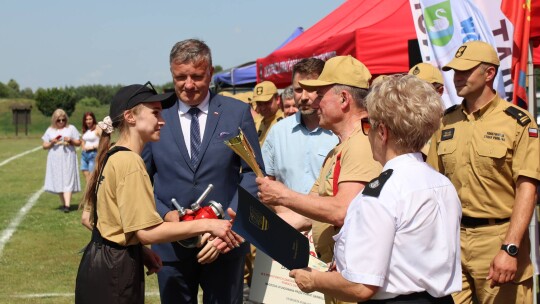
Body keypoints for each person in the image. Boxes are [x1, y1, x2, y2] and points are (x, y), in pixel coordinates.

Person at [289, 74, 462, 303]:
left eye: (367, 124)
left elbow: (361, 285)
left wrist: (313, 280)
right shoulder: (441, 182)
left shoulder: (381, 192)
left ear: (382, 132)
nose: (366, 132)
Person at [75, 82, 240, 304]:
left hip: (100, 261)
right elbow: (147, 232)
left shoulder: (113, 154)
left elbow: (94, 220)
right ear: (130, 117)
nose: (162, 120)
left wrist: (141, 252)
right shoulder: (131, 162)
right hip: (116, 268)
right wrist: (209, 224)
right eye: (155, 113)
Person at [142, 39, 262, 304]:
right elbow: (139, 179)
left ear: (210, 72)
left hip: (225, 244)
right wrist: (164, 214)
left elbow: (253, 174)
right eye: (180, 77)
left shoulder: (237, 113)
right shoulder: (156, 115)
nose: (188, 85)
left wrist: (230, 224)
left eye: (196, 76)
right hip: (171, 246)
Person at [257, 55, 382, 304]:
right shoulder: (340, 147)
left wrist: (282, 195)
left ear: (344, 99)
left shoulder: (362, 145)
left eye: (320, 94)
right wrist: (253, 229)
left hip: (355, 280)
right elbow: (307, 213)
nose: (313, 101)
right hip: (339, 276)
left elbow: (341, 211)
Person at [427, 40, 540, 304]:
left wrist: (510, 248)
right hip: (452, 241)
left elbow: (528, 188)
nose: (458, 78)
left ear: (489, 74)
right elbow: (433, 183)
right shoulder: (445, 121)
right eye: (455, 71)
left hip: (497, 238)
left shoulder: (518, 122)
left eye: (466, 71)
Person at [262, 57, 338, 229]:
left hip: (328, 233)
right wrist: (285, 214)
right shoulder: (278, 132)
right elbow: (267, 181)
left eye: (310, 90)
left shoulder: (339, 133)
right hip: (286, 229)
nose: (303, 97)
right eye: (297, 90)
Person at [41, 109, 81, 213]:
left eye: (63, 120)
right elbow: (44, 145)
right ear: (55, 120)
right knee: (58, 179)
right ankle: (64, 204)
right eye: (59, 120)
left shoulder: (71, 128)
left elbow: (78, 142)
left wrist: (71, 140)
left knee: (68, 179)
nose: (61, 122)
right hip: (55, 159)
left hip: (68, 157)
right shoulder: (50, 130)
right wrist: (52, 142)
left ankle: (67, 205)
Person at [252, 80, 284, 145]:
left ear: (277, 99)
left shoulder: (283, 122)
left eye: (267, 102)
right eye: (259, 103)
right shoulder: (259, 123)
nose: (263, 108)